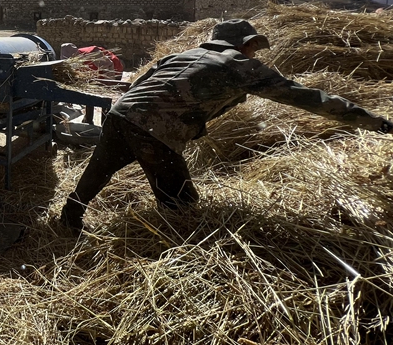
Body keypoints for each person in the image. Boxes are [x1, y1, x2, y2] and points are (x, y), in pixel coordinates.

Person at [60, 19, 393, 231]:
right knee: (180, 202)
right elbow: (304, 97)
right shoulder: (238, 64)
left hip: (121, 115)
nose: (253, 50)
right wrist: (370, 121)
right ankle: (176, 254)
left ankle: (69, 218)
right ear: (242, 43)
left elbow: (139, 82)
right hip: (156, 128)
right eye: (251, 44)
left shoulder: (183, 56)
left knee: (100, 169)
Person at [60, 43, 125, 124]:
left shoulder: (92, 54)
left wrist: (108, 84)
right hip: (97, 74)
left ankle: (105, 123)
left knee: (105, 98)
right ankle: (88, 120)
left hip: (114, 70)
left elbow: (110, 65)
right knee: (89, 94)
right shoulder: (73, 62)